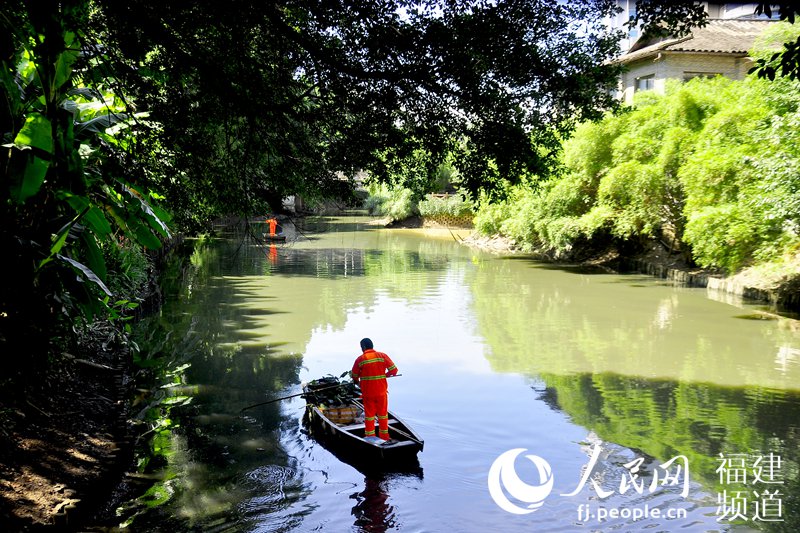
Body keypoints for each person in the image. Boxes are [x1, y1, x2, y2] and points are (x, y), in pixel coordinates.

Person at [351, 338, 398, 441]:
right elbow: (394, 370)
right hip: (381, 392)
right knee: (382, 415)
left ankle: (370, 437)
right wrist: (385, 375)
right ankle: (385, 437)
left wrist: (356, 380)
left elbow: (354, 375)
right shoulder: (382, 356)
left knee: (370, 416)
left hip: (368, 394)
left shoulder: (360, 359)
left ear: (363, 347)